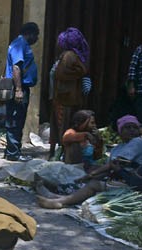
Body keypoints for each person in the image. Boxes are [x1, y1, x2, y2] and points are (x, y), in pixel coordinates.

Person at [37, 121, 142, 209]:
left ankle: (62, 201)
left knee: (94, 184)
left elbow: (141, 184)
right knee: (95, 178)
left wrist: (120, 171)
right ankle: (61, 198)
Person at [49, 28, 90, 159]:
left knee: (63, 127)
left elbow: (61, 73)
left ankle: (62, 155)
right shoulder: (73, 56)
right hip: (67, 98)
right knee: (62, 126)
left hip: (65, 98)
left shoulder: (69, 56)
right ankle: (60, 154)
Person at [4, 22, 40, 162]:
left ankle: (11, 151)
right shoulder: (20, 44)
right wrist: (18, 90)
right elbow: (16, 67)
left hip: (18, 87)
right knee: (15, 119)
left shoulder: (20, 44)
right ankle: (13, 153)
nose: (37, 38)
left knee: (17, 119)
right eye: (36, 35)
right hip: (17, 88)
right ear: (30, 33)